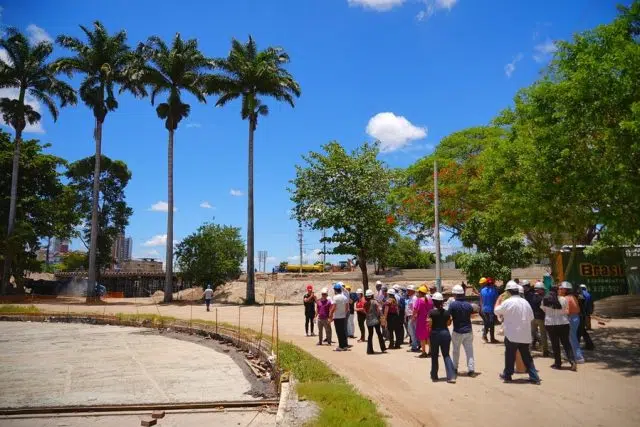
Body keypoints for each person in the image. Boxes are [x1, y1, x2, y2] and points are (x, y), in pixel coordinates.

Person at [494, 281, 541, 384]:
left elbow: (496, 311)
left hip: (512, 334)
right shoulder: (525, 302)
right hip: (525, 335)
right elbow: (531, 317)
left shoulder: (508, 302)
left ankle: (508, 376)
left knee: (509, 356)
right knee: (527, 357)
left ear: (508, 292)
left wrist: (498, 300)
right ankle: (535, 377)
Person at [542, 283, 576, 371]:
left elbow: (544, 310)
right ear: (558, 291)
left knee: (555, 344)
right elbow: (566, 309)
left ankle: (558, 363)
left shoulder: (545, 300)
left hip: (550, 324)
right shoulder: (563, 299)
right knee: (566, 343)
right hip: (563, 323)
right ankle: (572, 361)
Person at [428, 292, 456, 383]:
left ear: (434, 302)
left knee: (434, 355)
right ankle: (451, 376)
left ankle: (434, 375)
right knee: (446, 355)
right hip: (445, 334)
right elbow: (448, 324)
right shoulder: (447, 313)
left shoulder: (431, 312)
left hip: (435, 334)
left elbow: (429, 324)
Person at [449, 284, 476, 377]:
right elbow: (473, 313)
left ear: (455, 294)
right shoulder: (468, 305)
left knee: (456, 351)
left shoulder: (452, 305)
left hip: (457, 331)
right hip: (468, 331)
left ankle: (455, 369)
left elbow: (449, 317)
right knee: (469, 351)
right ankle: (471, 370)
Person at [562, 282, 585, 364]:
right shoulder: (573, 297)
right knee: (572, 337)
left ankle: (578, 357)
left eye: (562, 288)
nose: (561, 290)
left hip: (570, 318)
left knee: (572, 338)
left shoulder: (566, 298)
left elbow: (567, 311)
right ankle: (572, 354)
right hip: (576, 317)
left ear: (566, 289)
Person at [529, 282, 549, 356]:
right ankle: (545, 351)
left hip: (536, 317)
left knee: (533, 333)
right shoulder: (544, 297)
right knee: (542, 334)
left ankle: (542, 350)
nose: (543, 290)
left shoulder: (532, 296)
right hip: (540, 318)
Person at [413, 285, 433, 358]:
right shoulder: (430, 301)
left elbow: (415, 310)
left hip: (421, 321)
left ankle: (424, 352)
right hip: (429, 320)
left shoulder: (419, 300)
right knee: (428, 336)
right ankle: (430, 351)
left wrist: (413, 318)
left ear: (420, 292)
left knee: (422, 337)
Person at [364, 289, 386, 354]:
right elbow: (379, 309)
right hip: (376, 320)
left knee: (370, 335)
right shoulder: (375, 301)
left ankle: (369, 350)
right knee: (379, 333)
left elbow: (365, 311)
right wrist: (381, 316)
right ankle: (383, 348)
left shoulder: (365, 303)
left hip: (368, 321)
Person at [330, 283, 350, 351]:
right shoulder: (344, 297)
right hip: (343, 316)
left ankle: (341, 346)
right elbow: (347, 308)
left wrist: (330, 315)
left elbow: (333, 307)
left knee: (339, 332)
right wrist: (344, 313)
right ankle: (345, 345)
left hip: (337, 317)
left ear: (335, 290)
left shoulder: (335, 297)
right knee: (343, 331)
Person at [479, 277, 499, 343]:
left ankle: (484, 336)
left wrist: (481, 308)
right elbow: (497, 301)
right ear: (492, 283)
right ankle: (492, 338)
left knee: (486, 323)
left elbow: (481, 300)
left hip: (484, 309)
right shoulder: (494, 290)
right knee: (491, 324)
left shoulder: (482, 290)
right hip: (491, 310)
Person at [577, 284, 595, 350]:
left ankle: (588, 345)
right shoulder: (588, 294)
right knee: (582, 330)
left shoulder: (580, 295)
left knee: (580, 330)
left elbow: (582, 305)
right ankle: (589, 345)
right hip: (585, 314)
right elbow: (591, 305)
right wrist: (589, 313)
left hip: (581, 314)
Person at [405, 285, 419, 352]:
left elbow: (414, 309)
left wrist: (413, 317)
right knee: (412, 331)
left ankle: (414, 346)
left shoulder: (414, 298)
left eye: (408, 290)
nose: (407, 291)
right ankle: (417, 344)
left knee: (412, 332)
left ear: (412, 291)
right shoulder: (411, 298)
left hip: (412, 317)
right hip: (410, 316)